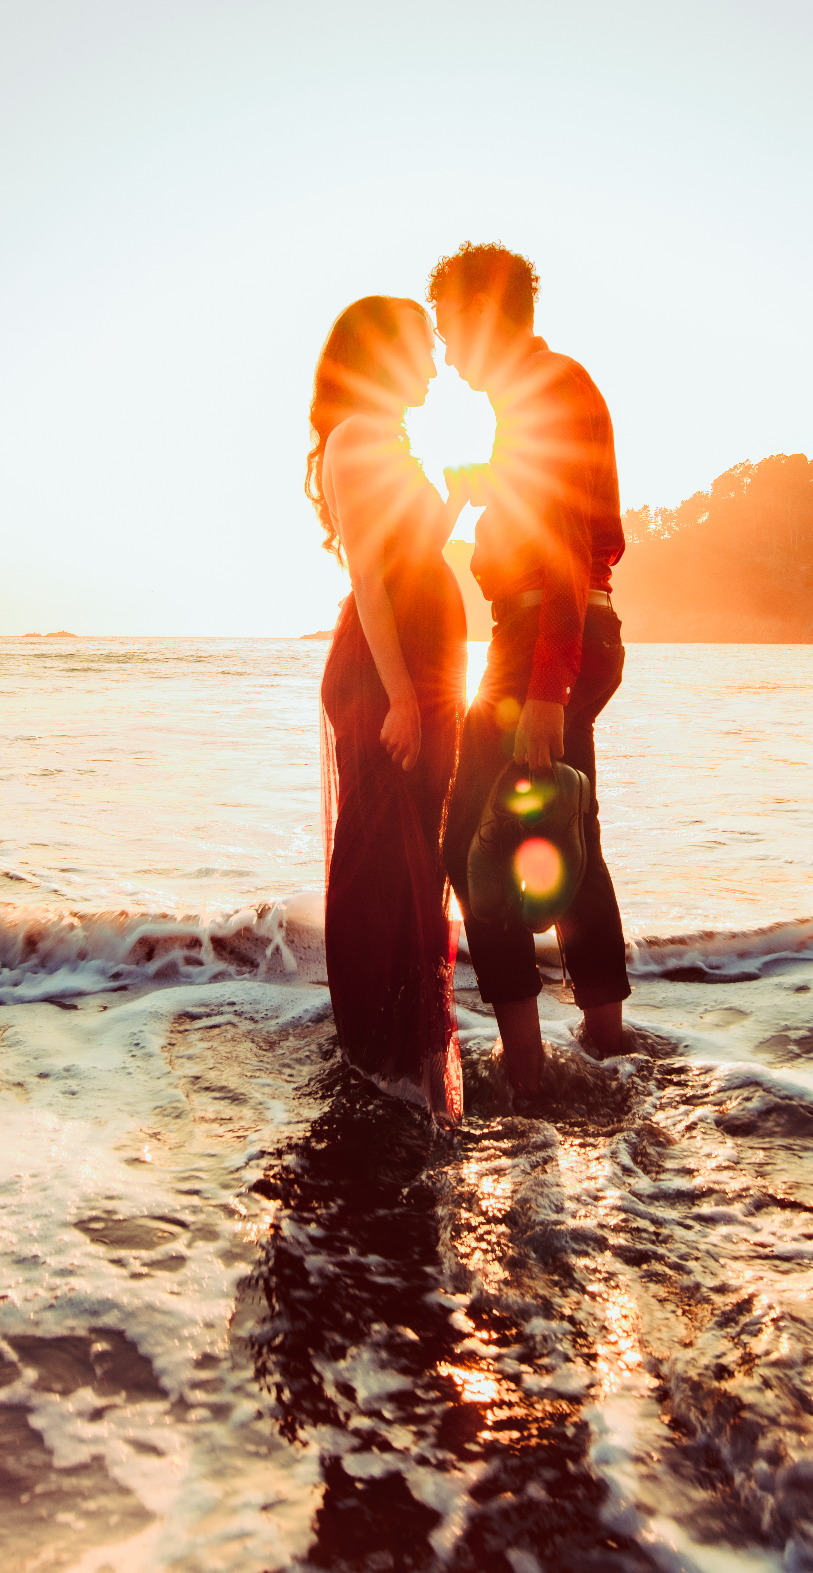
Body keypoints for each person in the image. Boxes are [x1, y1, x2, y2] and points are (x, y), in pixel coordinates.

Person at [432, 243, 630, 1100]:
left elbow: (561, 549)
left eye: (446, 328)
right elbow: (560, 520)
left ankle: (524, 1068)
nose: (444, 350)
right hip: (573, 631)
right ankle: (604, 1034)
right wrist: (495, 489)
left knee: (468, 849)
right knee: (565, 836)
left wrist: (546, 687)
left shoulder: (544, 391)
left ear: (481, 311)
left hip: (543, 642)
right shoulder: (546, 390)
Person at [306, 296, 470, 1125]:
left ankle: (395, 1052)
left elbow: (412, 554)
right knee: (387, 864)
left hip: (411, 665)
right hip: (387, 674)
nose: (437, 365)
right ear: (383, 355)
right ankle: (381, 1052)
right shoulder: (360, 438)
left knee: (413, 857)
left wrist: (455, 500)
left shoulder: (381, 438)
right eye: (423, 349)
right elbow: (371, 579)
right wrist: (402, 696)